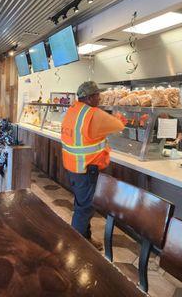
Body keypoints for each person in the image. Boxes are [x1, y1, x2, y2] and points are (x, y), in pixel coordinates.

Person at [61, 81, 125, 246]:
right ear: (89, 98)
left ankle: (86, 239)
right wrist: (118, 117)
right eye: (98, 95)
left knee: (81, 204)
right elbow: (119, 126)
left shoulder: (73, 110)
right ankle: (77, 248)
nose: (100, 98)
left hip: (72, 167)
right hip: (86, 170)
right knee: (84, 210)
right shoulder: (93, 114)